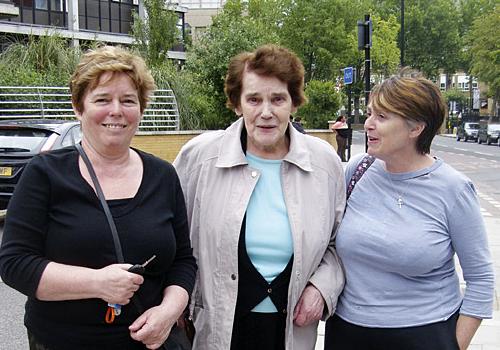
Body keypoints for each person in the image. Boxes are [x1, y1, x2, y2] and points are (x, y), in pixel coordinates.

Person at [0, 46, 196, 350]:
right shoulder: (46, 173)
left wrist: (169, 313)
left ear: (141, 109)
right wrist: (97, 283)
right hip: (63, 342)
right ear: (79, 108)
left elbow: (183, 260)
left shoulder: (163, 176)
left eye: (128, 100)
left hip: (152, 343)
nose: (116, 110)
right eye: (102, 99)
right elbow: (14, 264)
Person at [174, 44, 345, 350]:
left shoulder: (324, 164)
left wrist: (322, 288)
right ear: (237, 104)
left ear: (293, 103)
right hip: (216, 329)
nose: (266, 112)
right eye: (254, 99)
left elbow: (339, 245)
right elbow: (171, 239)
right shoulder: (199, 158)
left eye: (278, 99)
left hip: (290, 328)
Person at [324, 74, 495, 350]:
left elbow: (481, 280)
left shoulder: (453, 189)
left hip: (422, 334)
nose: (368, 124)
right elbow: (327, 243)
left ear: (415, 128)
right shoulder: (357, 170)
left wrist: (453, 346)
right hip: (347, 331)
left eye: (382, 116)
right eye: (369, 114)